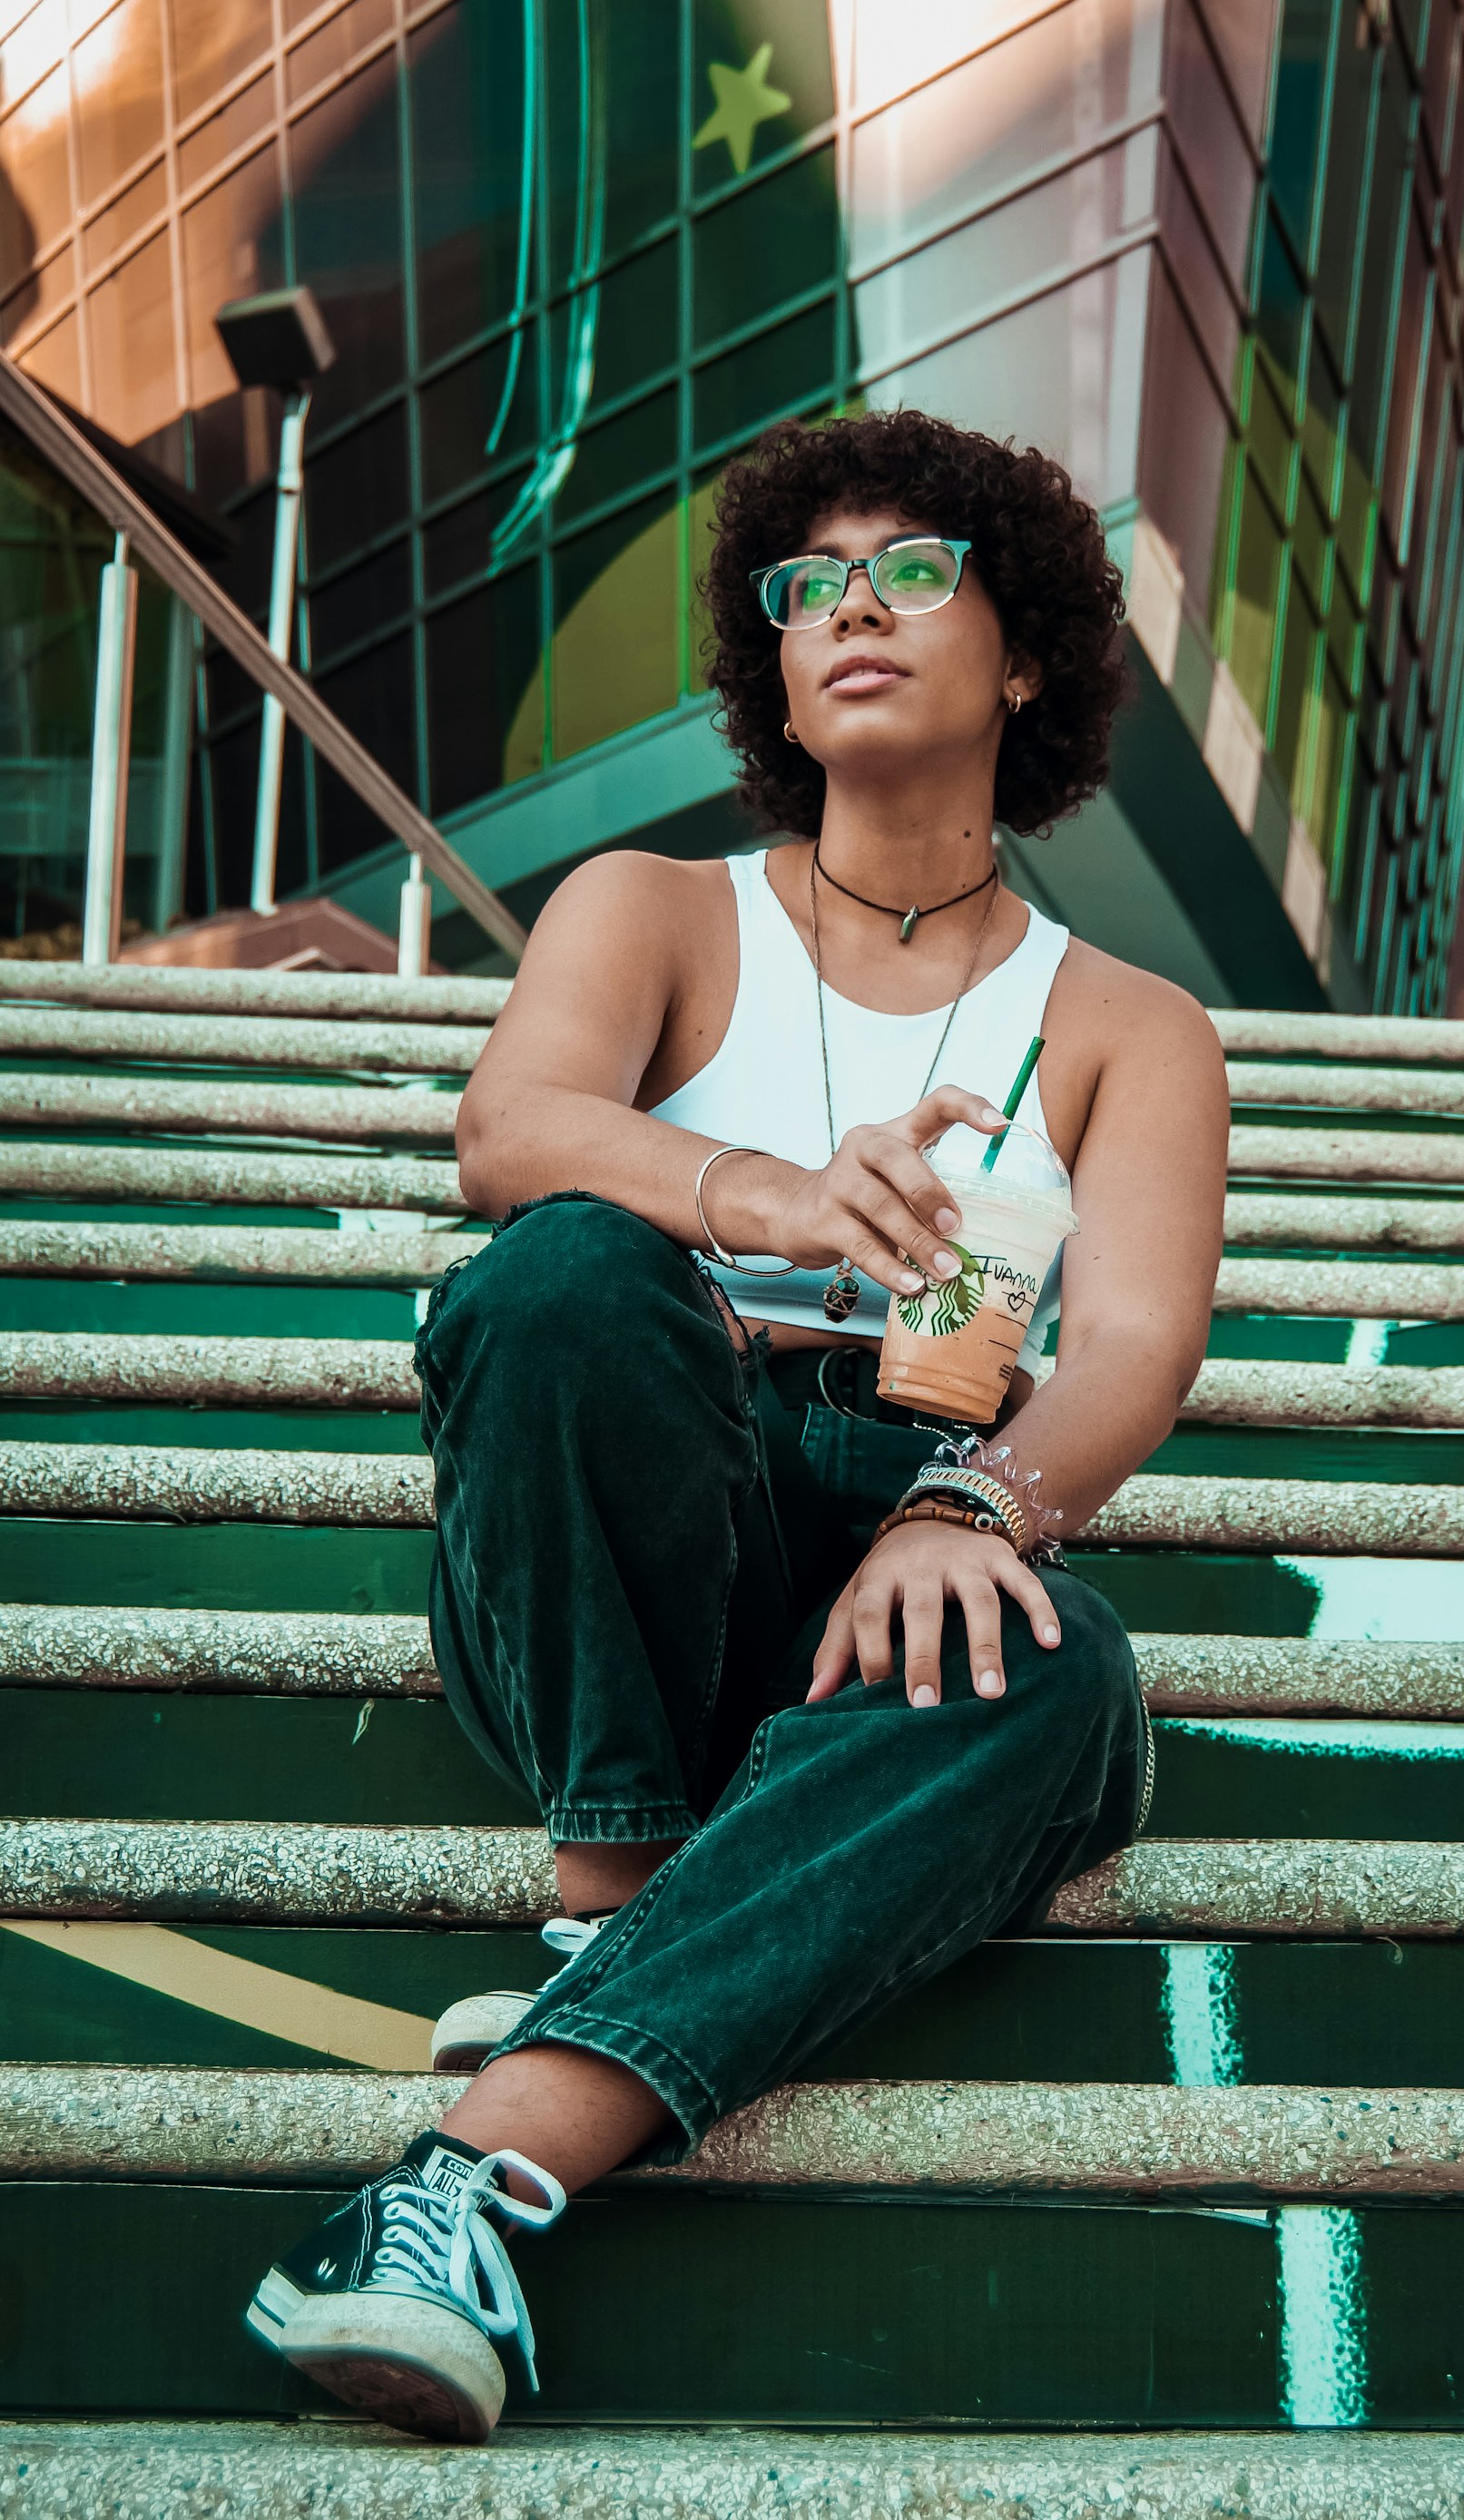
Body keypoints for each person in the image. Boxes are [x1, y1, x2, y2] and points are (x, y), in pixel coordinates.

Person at [243, 407, 1229, 2441]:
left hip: (894, 1518)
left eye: (911, 569)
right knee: (566, 1271)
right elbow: (509, 1134)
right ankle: (612, 1886)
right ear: (770, 666)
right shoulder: (659, 909)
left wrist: (976, 1502)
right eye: (807, 584)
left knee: (1065, 1673)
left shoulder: (1136, 1024)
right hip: (619, 1519)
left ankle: (468, 2180)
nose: (848, 605)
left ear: (1026, 651)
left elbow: (1131, 1333)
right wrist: (764, 1198)